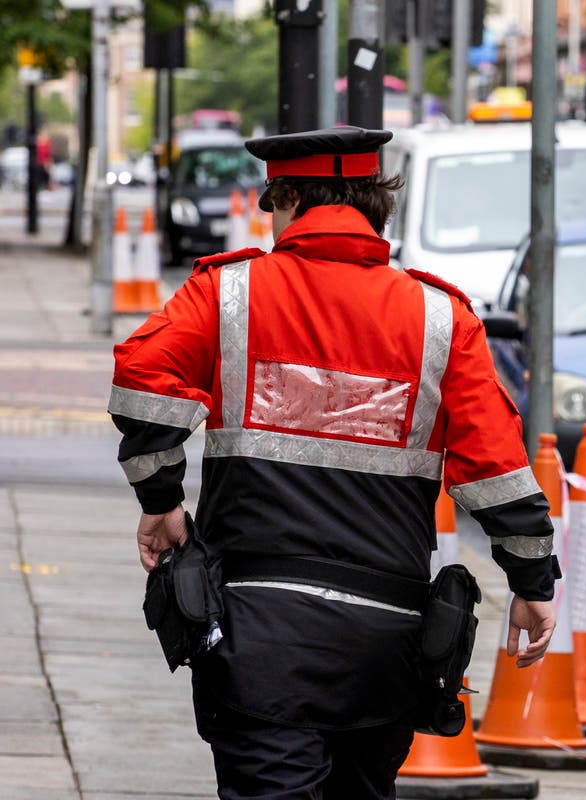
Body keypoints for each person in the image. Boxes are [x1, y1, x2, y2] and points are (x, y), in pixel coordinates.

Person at [108, 126, 558, 800]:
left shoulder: (230, 293)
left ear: (289, 199)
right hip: (387, 643)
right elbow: (496, 467)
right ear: (379, 204)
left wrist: (162, 502)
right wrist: (532, 581)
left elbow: (141, 379)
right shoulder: (442, 319)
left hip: (254, 634)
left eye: (273, 204)